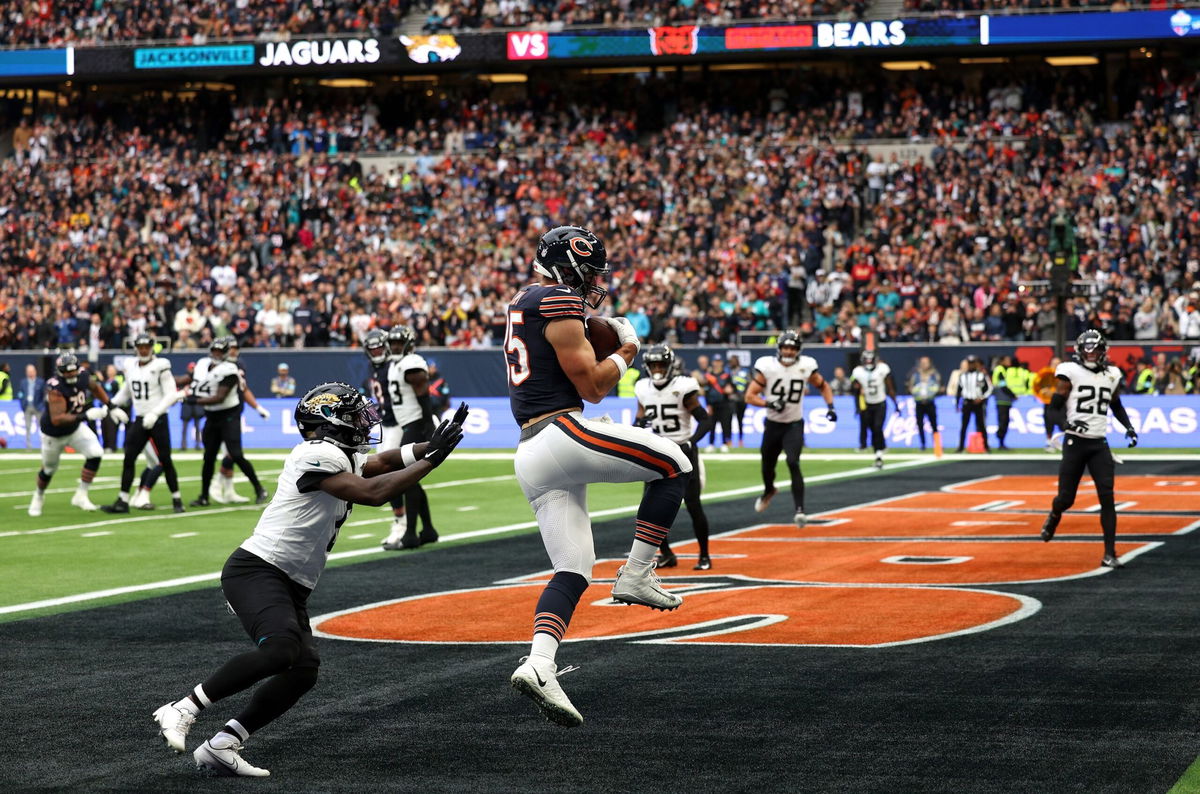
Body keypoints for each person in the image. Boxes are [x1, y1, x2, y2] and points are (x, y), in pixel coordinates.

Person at [150, 385, 469, 777]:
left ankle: (223, 745)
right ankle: (183, 708)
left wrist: (424, 447)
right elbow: (373, 492)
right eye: (353, 416)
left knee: (303, 670)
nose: (362, 422)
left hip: (290, 580)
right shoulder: (314, 454)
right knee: (280, 651)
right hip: (258, 569)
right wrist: (433, 461)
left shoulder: (342, 455)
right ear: (329, 422)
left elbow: (381, 462)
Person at [503, 225, 692, 728]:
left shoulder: (527, 299)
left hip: (531, 450)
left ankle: (540, 664)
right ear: (568, 267)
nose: (592, 282)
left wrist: (596, 322)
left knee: (573, 571)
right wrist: (625, 351)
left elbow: (570, 334)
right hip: (561, 432)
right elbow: (593, 387)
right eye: (588, 272)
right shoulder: (558, 299)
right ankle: (636, 573)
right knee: (674, 462)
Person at [1039, 330, 1138, 568]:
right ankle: (1054, 515)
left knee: (1107, 497)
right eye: (1088, 350)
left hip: (1099, 443)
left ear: (1103, 351)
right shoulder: (1070, 372)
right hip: (1075, 442)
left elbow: (1116, 405)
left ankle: (1109, 553)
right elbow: (1053, 409)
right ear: (1080, 351)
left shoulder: (1112, 374)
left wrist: (1129, 426)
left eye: (1096, 350)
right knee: (1066, 499)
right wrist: (1067, 423)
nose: (1092, 355)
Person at [635, 344, 714, 570]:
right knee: (651, 508)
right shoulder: (642, 388)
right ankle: (667, 554)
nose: (657, 369)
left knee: (693, 504)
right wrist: (637, 426)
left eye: (661, 364)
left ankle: (704, 555)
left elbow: (705, 420)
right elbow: (639, 420)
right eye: (653, 365)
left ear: (670, 366)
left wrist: (691, 442)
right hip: (658, 451)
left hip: (683, 451)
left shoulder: (684, 386)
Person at [745, 330, 836, 525]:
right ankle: (769, 489)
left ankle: (800, 510)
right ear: (779, 348)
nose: (788, 351)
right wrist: (769, 404)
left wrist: (830, 406)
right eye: (785, 347)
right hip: (773, 424)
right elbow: (749, 396)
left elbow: (823, 386)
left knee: (793, 462)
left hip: (794, 424)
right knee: (767, 466)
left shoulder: (806, 366)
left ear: (798, 350)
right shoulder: (767, 366)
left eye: (792, 348)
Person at [28, 353, 128, 517]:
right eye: (67, 372)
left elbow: (96, 388)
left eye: (73, 370)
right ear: (60, 372)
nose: (71, 374)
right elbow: (57, 419)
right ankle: (38, 495)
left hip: (74, 428)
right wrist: (86, 416)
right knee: (49, 469)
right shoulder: (55, 387)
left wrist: (111, 406)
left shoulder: (83, 375)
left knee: (95, 453)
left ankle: (81, 495)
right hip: (53, 434)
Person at [99, 334, 185, 514]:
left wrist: (155, 413)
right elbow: (126, 391)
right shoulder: (130, 365)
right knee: (128, 458)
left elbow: (171, 394)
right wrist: (111, 406)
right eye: (141, 347)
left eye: (147, 346)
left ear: (152, 347)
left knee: (165, 460)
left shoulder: (161, 365)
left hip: (158, 418)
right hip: (139, 418)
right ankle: (122, 500)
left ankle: (177, 499)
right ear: (136, 348)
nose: (144, 350)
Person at [188, 338, 268, 507]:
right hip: (211, 416)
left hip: (228, 416)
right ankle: (203, 496)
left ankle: (259, 489)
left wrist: (193, 400)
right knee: (208, 457)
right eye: (214, 351)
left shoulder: (230, 369)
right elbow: (191, 380)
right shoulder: (203, 364)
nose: (216, 354)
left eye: (220, 351)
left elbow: (220, 397)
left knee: (236, 454)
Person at [380, 325, 440, 550]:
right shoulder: (396, 364)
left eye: (398, 343)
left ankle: (410, 534)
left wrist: (427, 428)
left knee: (406, 478)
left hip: (418, 424)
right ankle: (428, 530)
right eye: (392, 343)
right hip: (409, 425)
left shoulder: (411, 363)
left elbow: (424, 396)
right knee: (411, 478)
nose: (395, 346)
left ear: (408, 344)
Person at [361, 328, 408, 539]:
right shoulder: (372, 368)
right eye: (373, 349)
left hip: (398, 422)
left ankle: (401, 522)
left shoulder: (394, 365)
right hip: (384, 424)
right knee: (379, 469)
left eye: (380, 347)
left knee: (388, 472)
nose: (377, 352)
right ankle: (401, 519)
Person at [214, 338, 273, 503]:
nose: (233, 350)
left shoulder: (239, 364)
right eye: (231, 347)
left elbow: (243, 388)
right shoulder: (217, 365)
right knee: (231, 453)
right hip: (218, 414)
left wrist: (257, 407)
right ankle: (216, 485)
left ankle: (228, 489)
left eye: (236, 347)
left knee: (232, 453)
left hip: (234, 413)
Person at [850, 350, 897, 469]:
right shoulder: (857, 371)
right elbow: (853, 384)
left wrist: (895, 404)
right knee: (872, 429)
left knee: (877, 428)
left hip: (880, 402)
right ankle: (881, 447)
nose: (869, 363)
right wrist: (857, 387)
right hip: (866, 404)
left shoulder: (882, 369)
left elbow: (890, 387)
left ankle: (878, 456)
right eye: (867, 360)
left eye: (871, 360)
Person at [955, 354, 992, 453]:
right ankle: (961, 447)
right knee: (964, 425)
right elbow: (959, 391)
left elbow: (989, 388)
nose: (971, 365)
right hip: (967, 402)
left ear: (975, 364)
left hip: (978, 403)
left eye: (973, 363)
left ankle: (986, 446)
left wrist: (981, 398)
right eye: (969, 363)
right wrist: (957, 403)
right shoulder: (962, 376)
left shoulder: (981, 375)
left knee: (981, 425)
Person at [907, 356, 940, 451]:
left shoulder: (934, 374)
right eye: (922, 362)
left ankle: (937, 445)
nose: (924, 364)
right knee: (920, 424)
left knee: (934, 424)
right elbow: (910, 386)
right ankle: (923, 444)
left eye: (926, 362)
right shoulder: (915, 375)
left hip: (930, 402)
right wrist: (915, 392)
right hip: (919, 403)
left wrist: (931, 392)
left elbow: (938, 386)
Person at [703, 356, 734, 452]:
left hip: (724, 404)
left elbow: (732, 388)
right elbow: (706, 392)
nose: (717, 363)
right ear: (713, 363)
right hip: (712, 404)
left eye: (719, 361)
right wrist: (708, 405)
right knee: (711, 425)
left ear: (721, 363)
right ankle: (711, 444)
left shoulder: (726, 375)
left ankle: (724, 443)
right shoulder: (708, 376)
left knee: (725, 424)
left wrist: (730, 390)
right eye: (715, 361)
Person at [1033, 356, 1064, 452]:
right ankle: (1049, 442)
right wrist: (1043, 392)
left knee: (1064, 423)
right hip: (1049, 403)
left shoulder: (1065, 374)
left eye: (1058, 363)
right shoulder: (1045, 373)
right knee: (1048, 423)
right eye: (1054, 363)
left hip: (1062, 403)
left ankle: (1067, 442)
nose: (1056, 365)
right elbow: (1038, 385)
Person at [17, 363, 46, 448]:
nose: (30, 373)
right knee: (27, 427)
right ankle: (28, 446)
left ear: (35, 372)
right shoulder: (23, 382)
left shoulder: (40, 382)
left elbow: (43, 395)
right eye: (28, 371)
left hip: (37, 407)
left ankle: (43, 445)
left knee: (41, 427)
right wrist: (23, 404)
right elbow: (20, 394)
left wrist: (41, 406)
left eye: (31, 371)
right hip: (27, 406)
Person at [991, 355, 1016, 451]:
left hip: (1005, 400)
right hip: (1002, 399)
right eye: (1007, 360)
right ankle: (1000, 442)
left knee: (1005, 421)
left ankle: (1001, 442)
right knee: (1003, 421)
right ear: (1002, 361)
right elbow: (1002, 385)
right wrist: (1012, 395)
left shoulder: (1004, 370)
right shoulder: (1000, 370)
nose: (1009, 361)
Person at [180, 361, 204, 450]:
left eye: (193, 368)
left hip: (196, 403)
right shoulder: (185, 378)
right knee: (184, 427)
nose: (192, 370)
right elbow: (179, 389)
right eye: (191, 368)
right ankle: (183, 445)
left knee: (197, 426)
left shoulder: (199, 379)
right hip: (186, 403)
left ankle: (198, 444)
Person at [728, 354, 750, 448]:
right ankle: (729, 440)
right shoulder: (727, 372)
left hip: (741, 399)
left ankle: (740, 440)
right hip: (731, 399)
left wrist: (746, 395)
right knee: (728, 420)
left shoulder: (744, 372)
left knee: (740, 420)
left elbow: (749, 383)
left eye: (733, 361)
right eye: (730, 361)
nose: (731, 363)